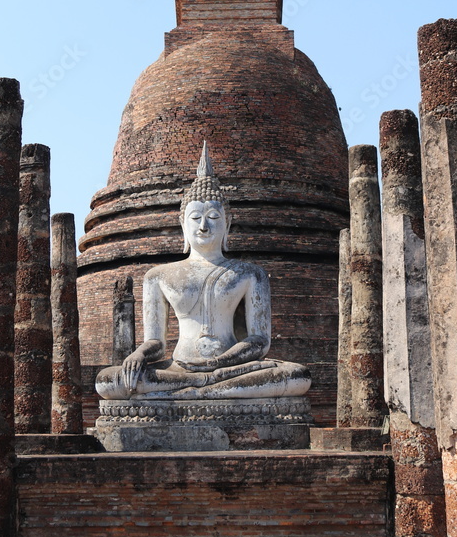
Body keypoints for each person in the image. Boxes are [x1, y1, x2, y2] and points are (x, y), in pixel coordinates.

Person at [96, 143, 310, 401]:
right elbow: (157, 343)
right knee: (108, 381)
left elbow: (259, 341)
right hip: (179, 368)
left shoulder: (250, 274)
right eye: (196, 218)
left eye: (213, 217)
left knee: (297, 376)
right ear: (182, 224)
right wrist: (139, 354)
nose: (204, 226)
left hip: (230, 369)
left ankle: (195, 389)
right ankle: (204, 389)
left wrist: (217, 364)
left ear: (227, 223)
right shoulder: (158, 276)